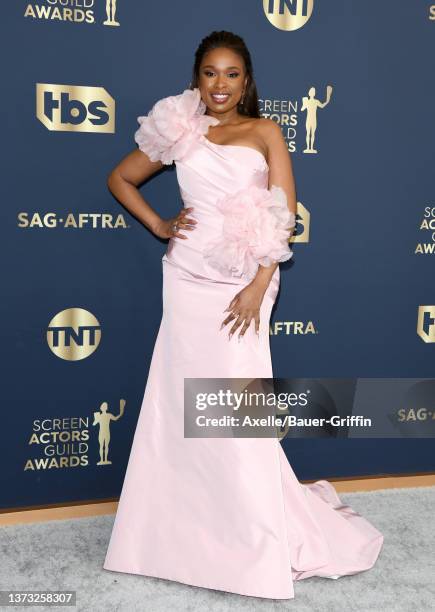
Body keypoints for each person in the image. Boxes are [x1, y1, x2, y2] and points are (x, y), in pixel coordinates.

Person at [103, 30, 384, 600]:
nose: (221, 85)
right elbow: (121, 178)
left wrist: (260, 285)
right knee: (178, 399)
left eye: (232, 74)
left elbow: (281, 216)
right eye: (210, 73)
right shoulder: (179, 129)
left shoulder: (266, 132)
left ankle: (252, 539)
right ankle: (173, 537)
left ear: (246, 80)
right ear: (197, 78)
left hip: (243, 280)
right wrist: (159, 225)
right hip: (185, 278)